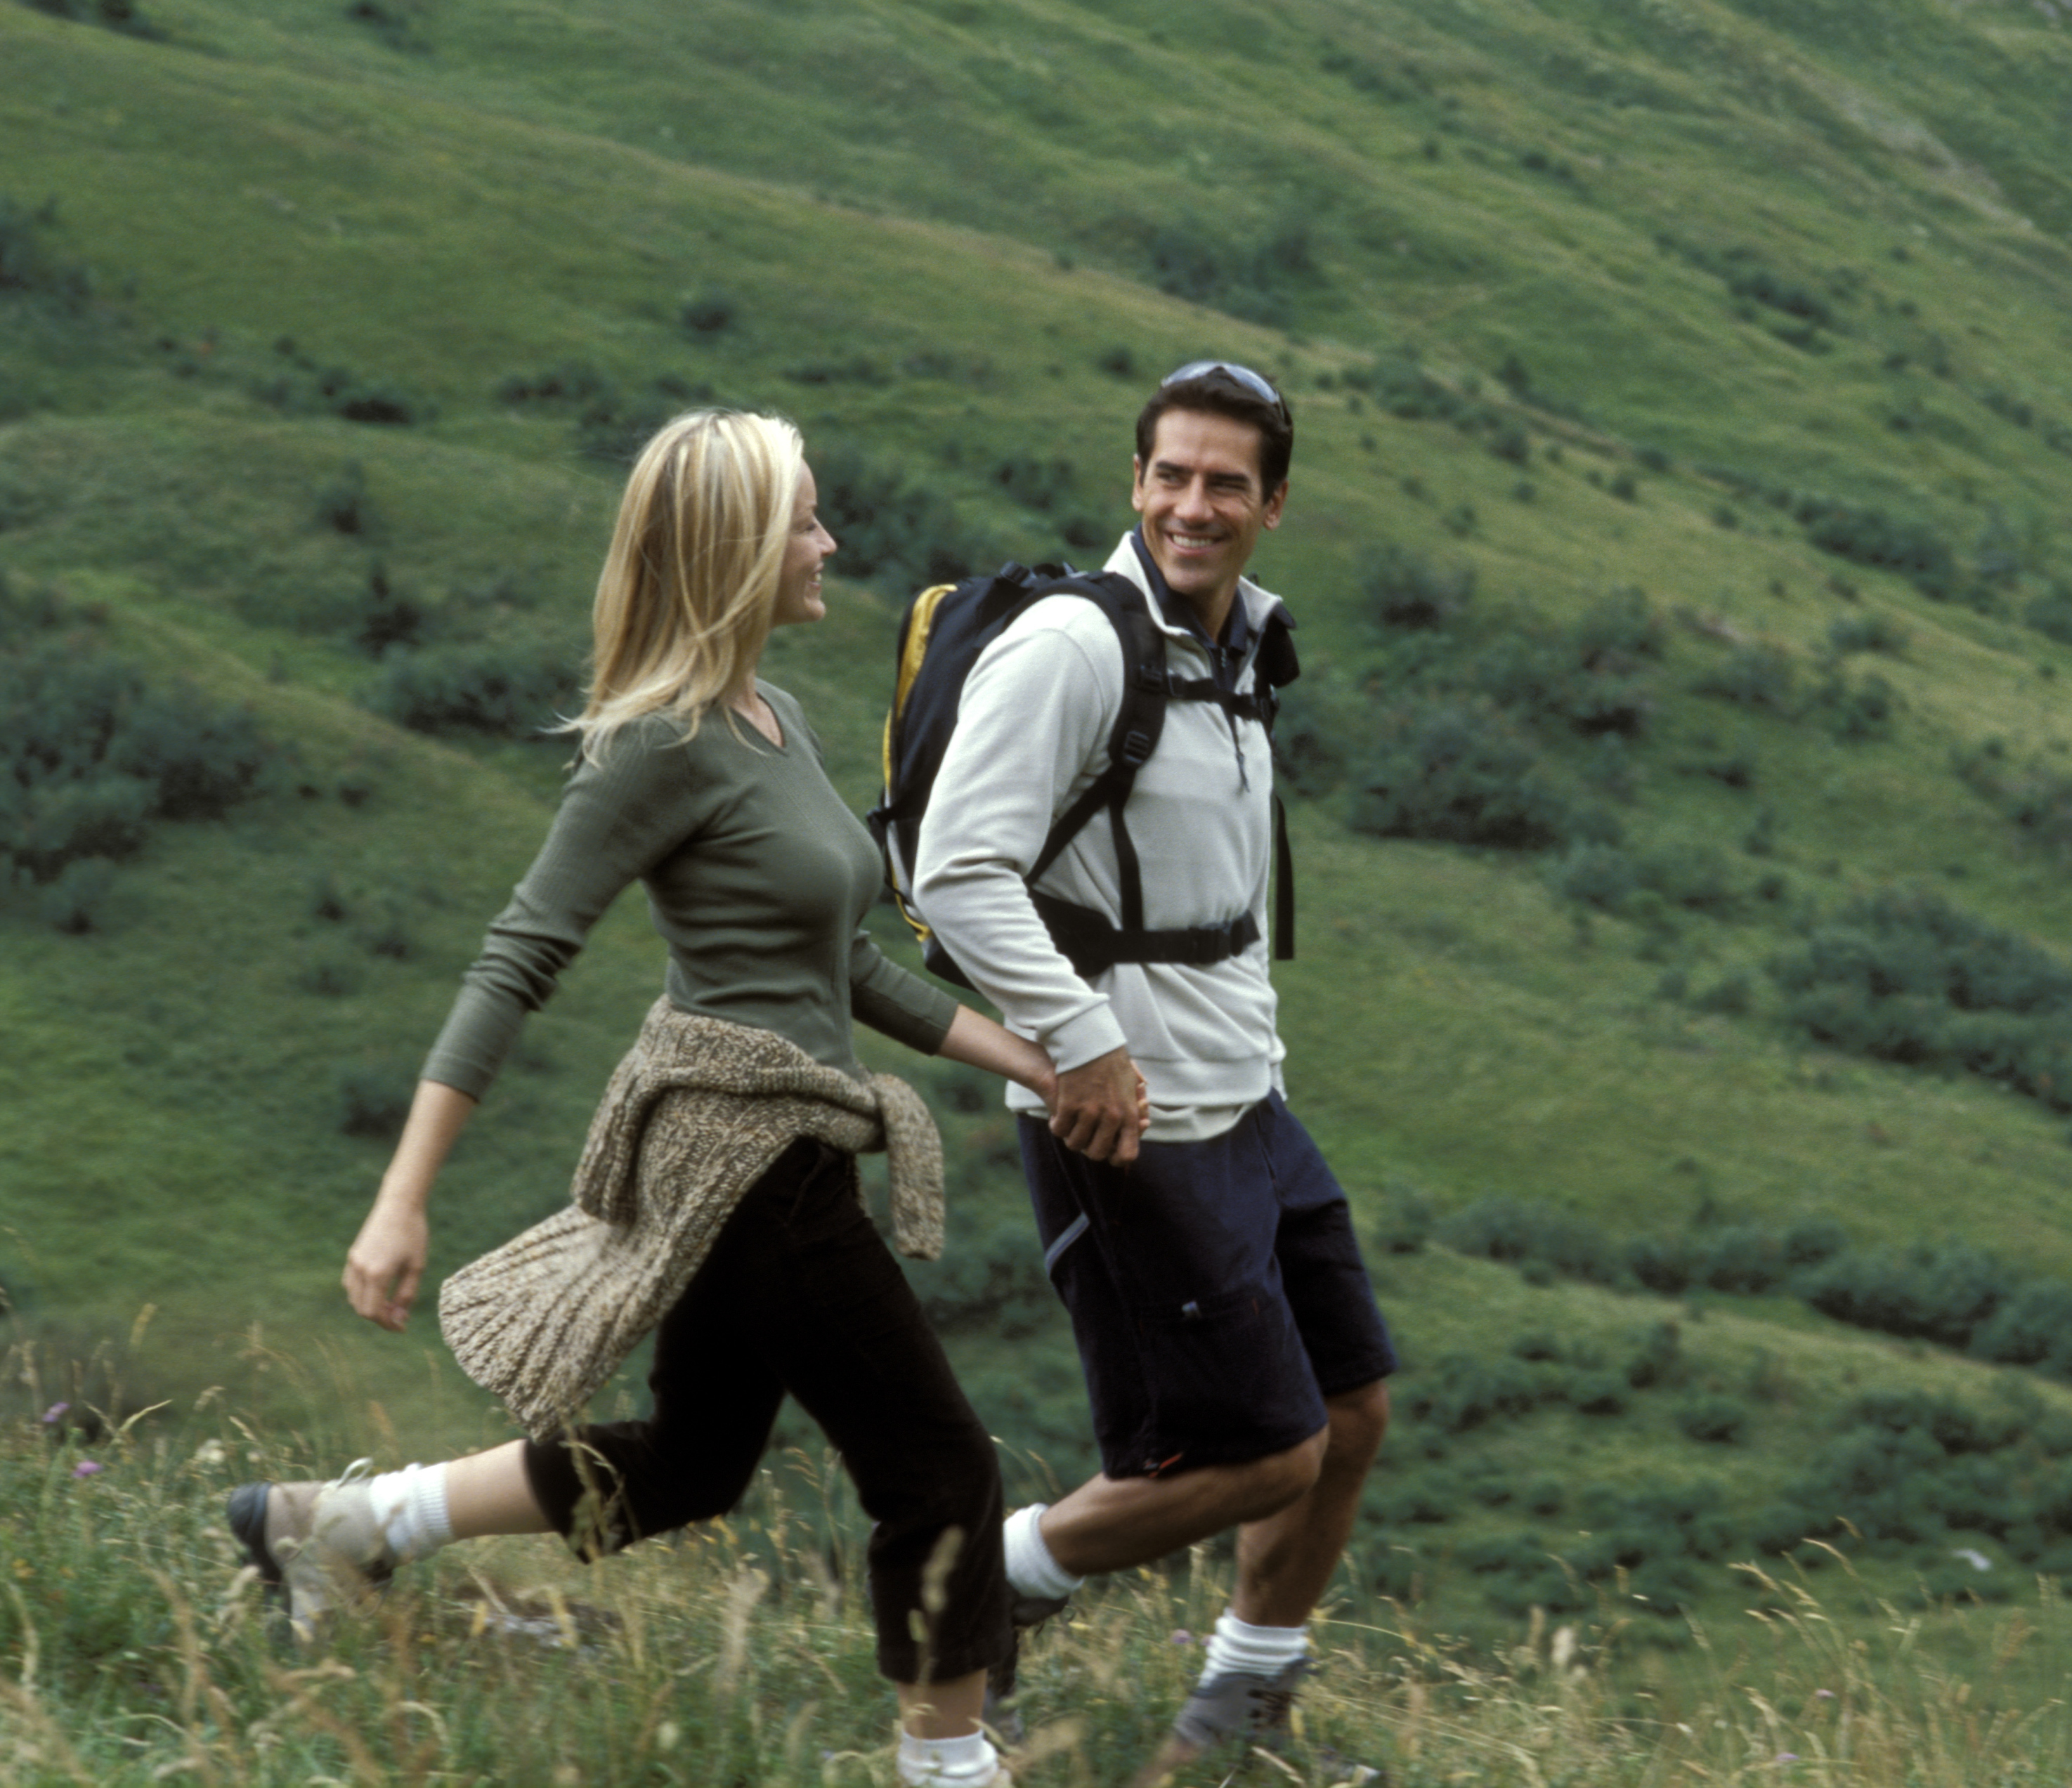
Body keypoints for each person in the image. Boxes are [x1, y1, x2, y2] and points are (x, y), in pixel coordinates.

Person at [226, 410, 1048, 1788]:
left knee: (691, 1463)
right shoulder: (656, 742)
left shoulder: (775, 718)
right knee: (944, 1472)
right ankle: (951, 1763)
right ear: (734, 549)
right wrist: (399, 1199)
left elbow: (840, 960)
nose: (829, 541)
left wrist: (1028, 1056)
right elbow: (518, 955)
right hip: (747, 1165)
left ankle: (347, 1524)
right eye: (803, 520)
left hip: (782, 1149)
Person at [913, 362, 1394, 1775]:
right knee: (1261, 1452)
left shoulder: (1241, 644)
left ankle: (1242, 1708)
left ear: (1273, 503)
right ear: (1135, 483)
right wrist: (1084, 1042)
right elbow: (954, 867)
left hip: (1238, 1094)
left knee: (1351, 1405)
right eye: (1171, 474)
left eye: (1226, 482)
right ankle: (976, 1587)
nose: (1195, 504)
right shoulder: (1077, 645)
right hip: (1122, 1117)